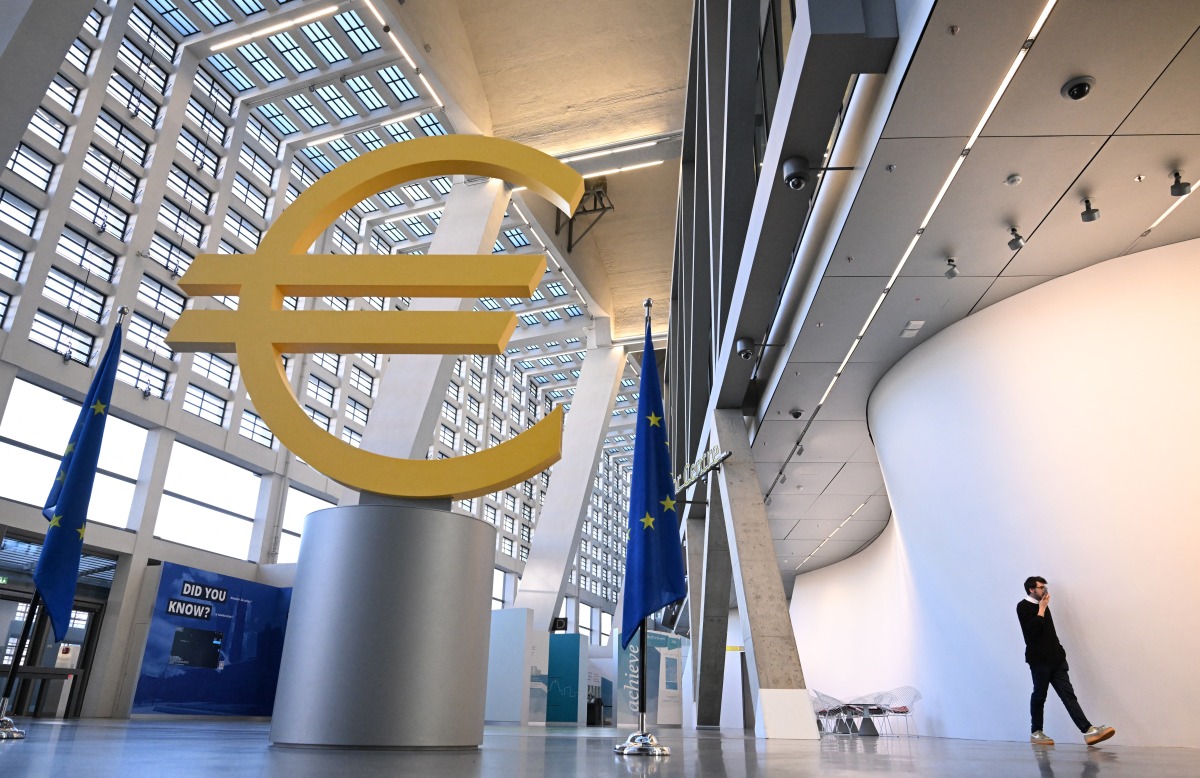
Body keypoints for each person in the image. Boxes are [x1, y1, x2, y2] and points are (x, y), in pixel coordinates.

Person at [1017, 576, 1115, 746]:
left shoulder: (1044, 605)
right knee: (1040, 695)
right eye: (1041, 587)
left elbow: (1049, 633)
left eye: (1045, 587)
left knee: (1069, 695)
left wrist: (1060, 652)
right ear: (1031, 589)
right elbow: (1033, 632)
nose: (1045, 590)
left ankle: (1088, 730)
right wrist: (1041, 609)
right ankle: (1036, 732)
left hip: (1056, 659)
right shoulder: (1023, 606)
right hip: (1039, 661)